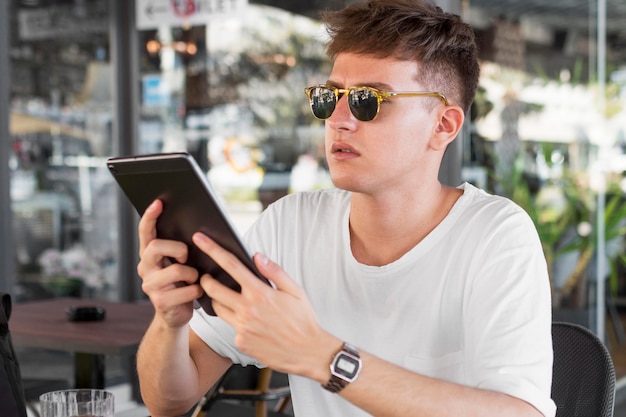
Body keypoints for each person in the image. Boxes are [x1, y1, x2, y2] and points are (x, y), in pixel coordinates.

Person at [136, 0, 556, 416]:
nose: (338, 119)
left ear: (442, 126)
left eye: (367, 101)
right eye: (329, 97)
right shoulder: (289, 226)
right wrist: (168, 322)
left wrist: (321, 355)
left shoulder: (496, 236)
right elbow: (168, 400)